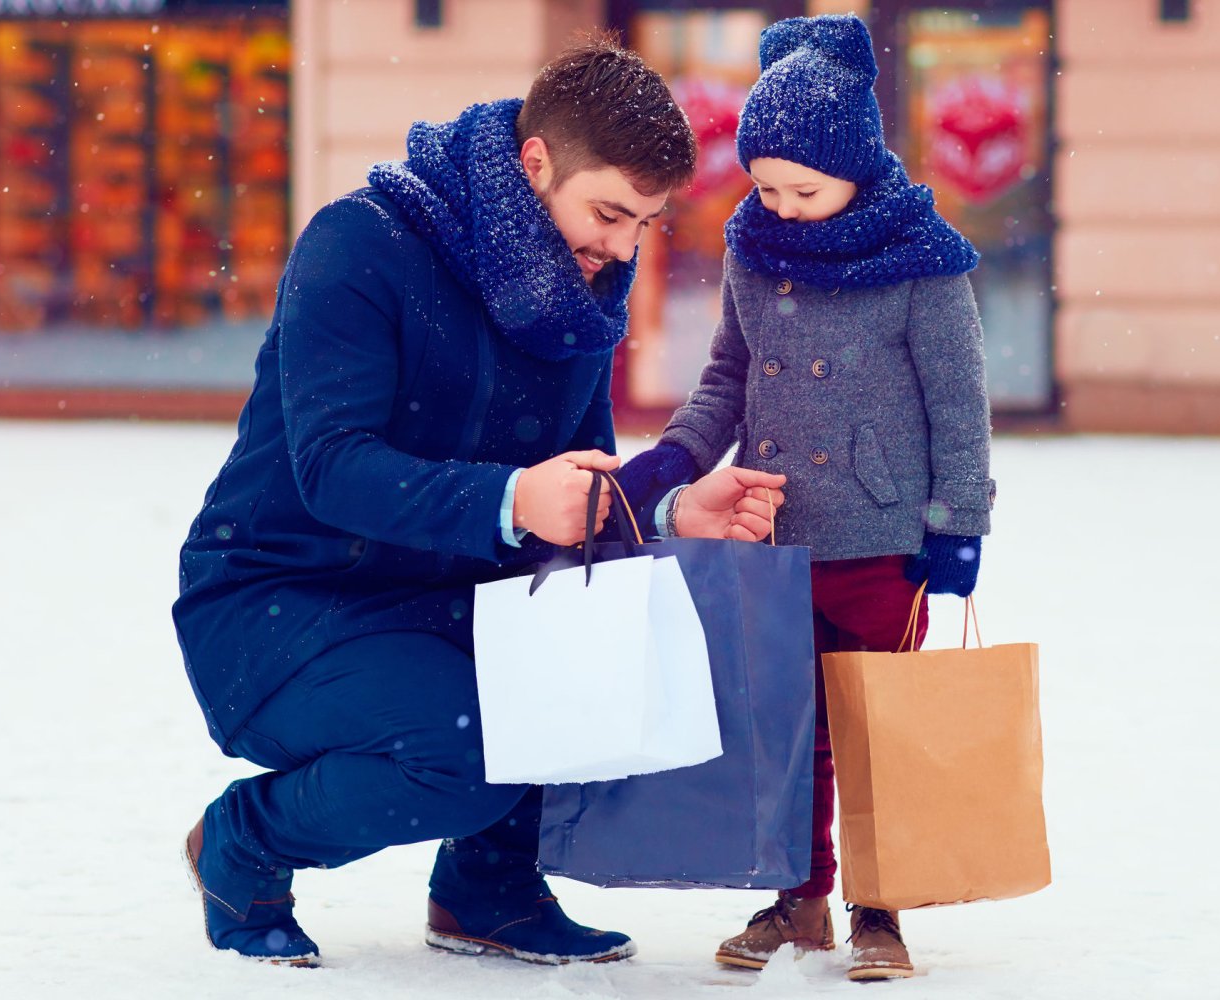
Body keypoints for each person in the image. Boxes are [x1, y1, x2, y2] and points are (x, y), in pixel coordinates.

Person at [172, 34, 785, 968]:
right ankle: (244, 843)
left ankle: (486, 890)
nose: (620, 249)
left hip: (444, 604)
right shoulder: (360, 245)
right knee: (463, 751)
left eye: (642, 225)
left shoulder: (577, 293)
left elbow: (576, 487)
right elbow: (331, 468)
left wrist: (666, 514)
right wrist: (509, 500)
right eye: (609, 214)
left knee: (600, 679)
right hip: (280, 601)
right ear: (536, 162)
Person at [628, 14, 994, 981]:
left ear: (857, 170)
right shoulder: (756, 252)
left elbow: (959, 406)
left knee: (878, 727)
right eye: (764, 186)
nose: (782, 206)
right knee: (790, 727)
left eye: (805, 188)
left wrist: (959, 525)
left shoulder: (924, 261)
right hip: (776, 529)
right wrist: (674, 459)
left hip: (883, 538)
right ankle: (799, 898)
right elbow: (727, 377)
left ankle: (882, 906)